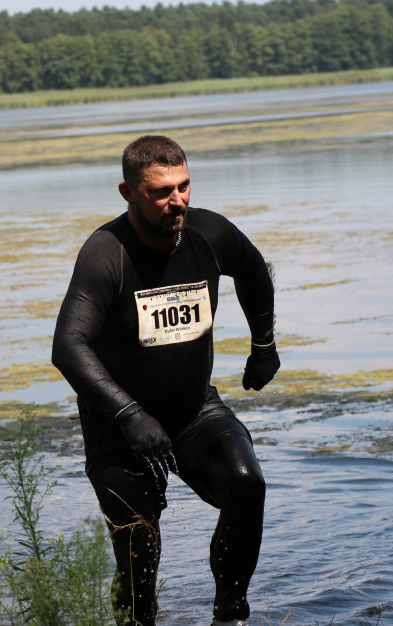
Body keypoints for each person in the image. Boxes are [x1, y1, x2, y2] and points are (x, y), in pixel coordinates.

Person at [53, 135, 280, 626]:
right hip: (119, 426)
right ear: (128, 192)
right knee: (138, 558)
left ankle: (230, 614)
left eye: (183, 186)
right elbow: (68, 346)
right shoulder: (105, 254)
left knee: (247, 485)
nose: (176, 201)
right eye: (160, 192)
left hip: (194, 410)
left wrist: (264, 345)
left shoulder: (210, 234)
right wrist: (129, 413)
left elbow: (254, 271)